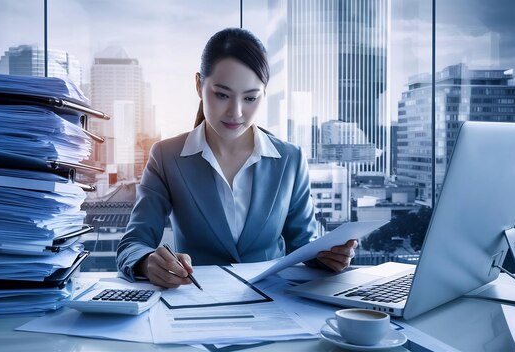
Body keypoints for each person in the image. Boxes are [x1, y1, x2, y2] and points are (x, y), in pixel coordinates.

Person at [116, 28, 357, 288]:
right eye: (221, 95)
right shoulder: (167, 156)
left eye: (251, 97)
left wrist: (328, 257)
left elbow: (304, 246)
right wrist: (147, 261)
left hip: (273, 307)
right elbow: (133, 244)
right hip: (197, 303)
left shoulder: (290, 158)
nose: (236, 112)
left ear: (264, 93)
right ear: (199, 85)